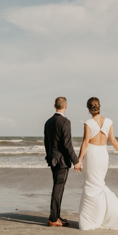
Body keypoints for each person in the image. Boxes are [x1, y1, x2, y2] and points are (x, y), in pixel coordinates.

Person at [76, 97, 118, 231]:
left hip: (92, 155)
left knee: (91, 184)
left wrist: (78, 160)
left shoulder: (88, 123)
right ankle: (108, 217)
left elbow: (85, 143)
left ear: (88, 108)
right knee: (99, 184)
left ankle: (91, 220)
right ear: (99, 107)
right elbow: (113, 141)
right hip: (103, 155)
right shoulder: (109, 121)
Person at [43, 96, 80, 227]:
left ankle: (56, 215)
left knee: (58, 187)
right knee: (58, 188)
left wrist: (49, 156)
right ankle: (53, 218)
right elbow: (67, 144)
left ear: (54, 106)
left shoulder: (48, 122)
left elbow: (46, 142)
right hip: (62, 161)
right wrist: (76, 161)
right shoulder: (65, 122)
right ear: (66, 107)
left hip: (52, 159)